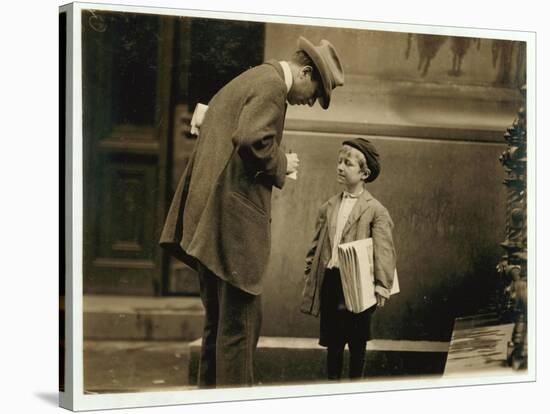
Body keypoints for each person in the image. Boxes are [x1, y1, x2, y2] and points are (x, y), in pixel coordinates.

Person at [159, 36, 344, 387]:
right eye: (316, 93)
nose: (310, 102)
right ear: (306, 72)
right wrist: (281, 162)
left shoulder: (254, 77)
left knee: (217, 327)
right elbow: (250, 139)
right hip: (231, 231)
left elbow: (223, 127)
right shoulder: (272, 87)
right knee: (240, 331)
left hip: (206, 224)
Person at [300, 138, 397, 380]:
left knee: (357, 343)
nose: (340, 167)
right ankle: (333, 389)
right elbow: (316, 245)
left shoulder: (375, 210)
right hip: (332, 283)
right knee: (333, 344)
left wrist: (381, 285)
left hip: (358, 285)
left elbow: (384, 251)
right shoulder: (329, 207)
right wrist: (311, 270)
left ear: (365, 173)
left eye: (348, 163)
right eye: (339, 162)